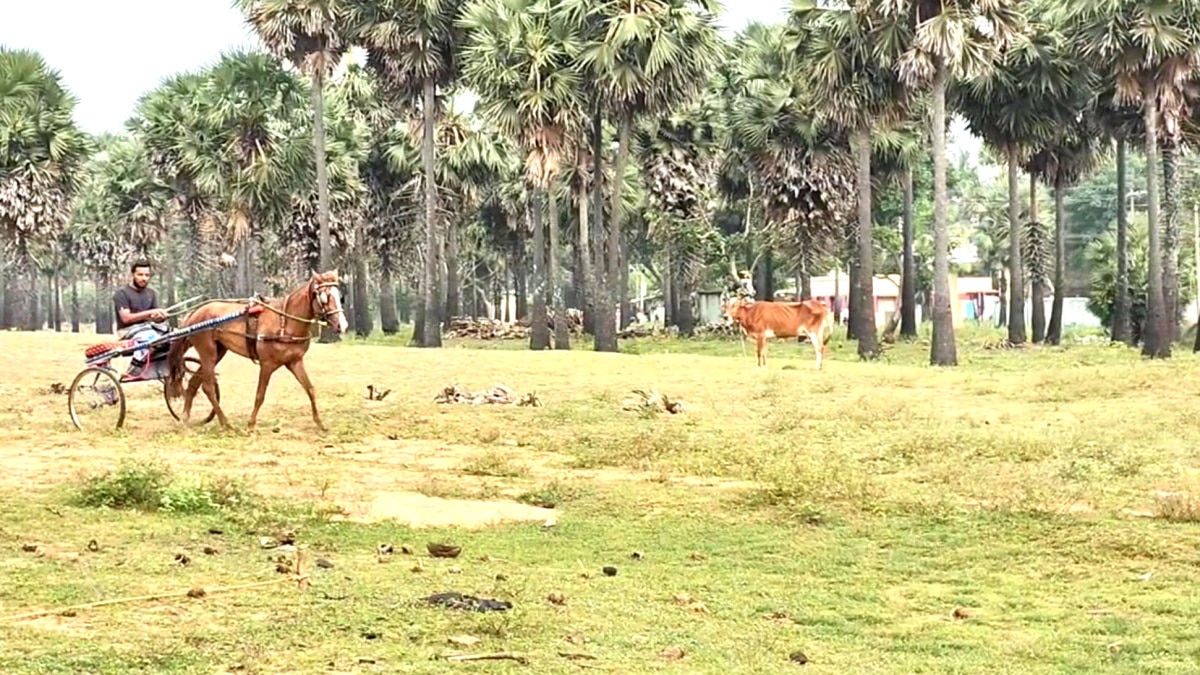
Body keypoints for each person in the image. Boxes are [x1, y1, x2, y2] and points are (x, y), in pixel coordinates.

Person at [113, 259, 168, 378]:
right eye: (140, 274)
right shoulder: (121, 294)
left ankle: (162, 369)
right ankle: (132, 371)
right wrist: (150, 313)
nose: (144, 278)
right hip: (127, 331)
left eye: (147, 275)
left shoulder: (151, 293)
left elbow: (154, 318)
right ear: (133, 274)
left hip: (148, 328)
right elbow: (126, 319)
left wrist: (160, 317)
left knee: (172, 336)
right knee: (151, 337)